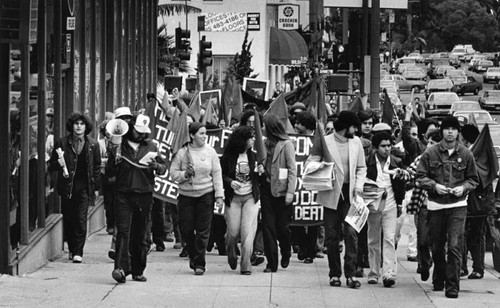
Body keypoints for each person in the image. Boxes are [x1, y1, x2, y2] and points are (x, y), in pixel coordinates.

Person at [416, 115, 479, 299]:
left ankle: (452, 285)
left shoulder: (466, 154)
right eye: (446, 128)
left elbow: (473, 179)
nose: (450, 132)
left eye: (453, 129)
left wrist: (464, 188)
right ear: (441, 131)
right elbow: (420, 177)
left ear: (458, 132)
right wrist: (434, 186)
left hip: (458, 206)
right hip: (436, 205)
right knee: (436, 247)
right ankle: (439, 276)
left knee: (454, 246)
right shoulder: (431, 153)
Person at [306, 110, 366, 288]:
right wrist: (321, 168)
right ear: (346, 127)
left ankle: (351, 274)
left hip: (350, 194)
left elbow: (361, 168)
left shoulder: (356, 143)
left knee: (351, 233)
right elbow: (311, 161)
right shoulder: (325, 140)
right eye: (354, 127)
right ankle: (334, 274)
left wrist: (358, 187)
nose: (356, 131)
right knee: (332, 237)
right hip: (331, 193)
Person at [106, 114, 167, 283]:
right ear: (130, 129)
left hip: (144, 194)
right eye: (137, 131)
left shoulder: (151, 146)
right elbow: (110, 172)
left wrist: (156, 166)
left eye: (143, 132)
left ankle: (138, 270)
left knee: (141, 234)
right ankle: (120, 268)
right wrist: (114, 155)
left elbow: (164, 168)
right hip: (123, 194)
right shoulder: (120, 146)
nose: (141, 135)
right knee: (123, 232)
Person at [170, 122, 224, 276]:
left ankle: (199, 263)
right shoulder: (182, 152)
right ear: (192, 135)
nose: (204, 136)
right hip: (186, 196)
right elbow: (173, 174)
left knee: (203, 231)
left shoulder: (210, 152)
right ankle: (193, 253)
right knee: (186, 229)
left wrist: (219, 195)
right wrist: (184, 175)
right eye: (201, 133)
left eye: (205, 133)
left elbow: (217, 174)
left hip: (206, 195)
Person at [49, 113, 101, 263]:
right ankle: (72, 248)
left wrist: (95, 186)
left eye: (82, 124)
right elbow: (52, 164)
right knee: (70, 218)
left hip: (84, 187)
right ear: (72, 126)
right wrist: (59, 163)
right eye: (76, 123)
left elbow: (96, 167)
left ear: (86, 127)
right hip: (67, 187)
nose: (79, 126)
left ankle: (78, 251)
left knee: (81, 218)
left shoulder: (93, 145)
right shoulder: (62, 143)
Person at [364, 132, 407, 287]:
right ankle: (374, 272)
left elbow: (401, 184)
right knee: (373, 239)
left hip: (390, 205)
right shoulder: (367, 162)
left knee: (389, 238)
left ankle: (389, 274)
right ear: (375, 148)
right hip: (372, 206)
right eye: (383, 146)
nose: (387, 149)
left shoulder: (397, 162)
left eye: (389, 145)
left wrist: (400, 203)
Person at [258, 114, 297, 273]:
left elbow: (292, 169)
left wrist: (290, 192)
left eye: (264, 126)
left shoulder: (286, 144)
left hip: (282, 193)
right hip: (267, 190)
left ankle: (286, 251)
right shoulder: (264, 144)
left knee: (283, 228)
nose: (262, 128)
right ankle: (271, 263)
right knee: (268, 228)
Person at [220, 126, 260, 275]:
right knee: (233, 231)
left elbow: (263, 177)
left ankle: (246, 264)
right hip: (234, 198)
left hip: (251, 197)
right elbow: (220, 175)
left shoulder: (255, 156)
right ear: (243, 140)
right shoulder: (227, 157)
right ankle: (231, 253)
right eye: (251, 137)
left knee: (247, 232)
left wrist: (261, 172)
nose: (253, 140)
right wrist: (230, 182)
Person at [292, 111, 319, 263]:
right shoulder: (293, 139)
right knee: (295, 217)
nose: (295, 126)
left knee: (314, 219)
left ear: (306, 125)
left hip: (314, 184)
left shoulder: (319, 139)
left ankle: (310, 251)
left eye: (298, 123)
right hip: (297, 184)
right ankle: (303, 246)